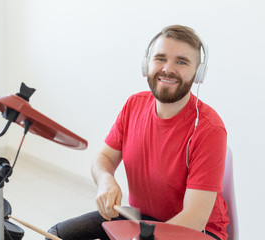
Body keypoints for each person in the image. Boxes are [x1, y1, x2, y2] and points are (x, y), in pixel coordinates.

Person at [47, 25, 229, 240]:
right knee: (56, 235)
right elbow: (103, 157)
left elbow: (194, 219)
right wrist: (106, 179)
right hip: (143, 219)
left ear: (198, 73)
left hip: (196, 232)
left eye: (181, 61)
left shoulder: (209, 129)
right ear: (147, 65)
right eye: (160, 58)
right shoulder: (134, 104)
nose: (168, 69)